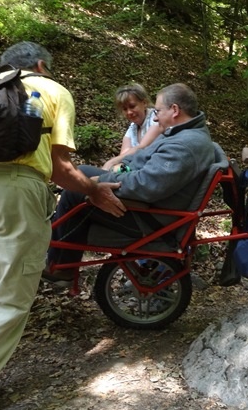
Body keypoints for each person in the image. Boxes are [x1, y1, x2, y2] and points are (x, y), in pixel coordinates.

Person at [0, 41, 125, 410]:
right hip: (11, 191)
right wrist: (93, 191)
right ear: (41, 65)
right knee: (8, 301)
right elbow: (61, 169)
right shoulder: (53, 90)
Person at [43, 83, 214, 283]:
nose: (156, 117)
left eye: (158, 111)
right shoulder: (182, 134)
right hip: (147, 205)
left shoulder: (183, 145)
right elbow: (139, 160)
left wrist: (103, 179)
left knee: (76, 191)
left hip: (150, 218)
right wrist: (118, 167)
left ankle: (60, 266)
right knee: (82, 173)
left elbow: (147, 185)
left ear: (175, 110)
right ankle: (57, 254)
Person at [102, 84, 164, 171]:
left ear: (144, 103)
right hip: (134, 171)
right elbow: (123, 155)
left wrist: (110, 163)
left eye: (132, 106)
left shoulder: (156, 119)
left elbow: (142, 147)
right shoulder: (133, 127)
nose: (129, 112)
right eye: (124, 109)